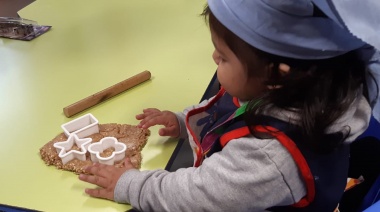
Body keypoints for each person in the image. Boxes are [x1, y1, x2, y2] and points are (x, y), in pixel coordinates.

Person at [79, 1, 377, 211]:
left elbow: (197, 197)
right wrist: (183, 121)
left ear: (275, 74)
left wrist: (132, 185)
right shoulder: (296, 88)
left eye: (222, 57)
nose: (213, 59)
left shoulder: (269, 155)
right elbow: (231, 107)